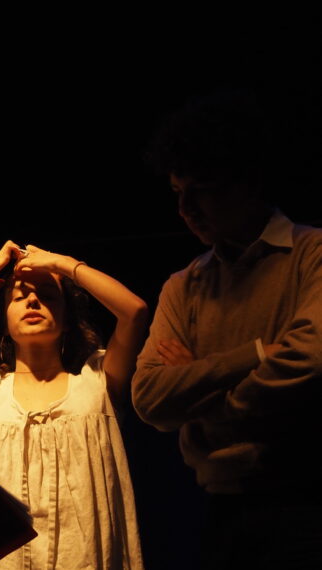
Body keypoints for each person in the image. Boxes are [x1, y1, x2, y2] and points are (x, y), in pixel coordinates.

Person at [132, 91, 322, 569]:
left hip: (306, 501)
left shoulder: (312, 255)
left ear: (249, 182)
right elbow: (149, 397)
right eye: (177, 192)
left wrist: (202, 391)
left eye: (203, 189)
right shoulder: (185, 284)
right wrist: (255, 354)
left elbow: (310, 361)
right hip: (217, 509)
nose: (186, 208)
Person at [0, 241, 147, 569]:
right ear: (4, 321)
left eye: (47, 295)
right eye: (18, 297)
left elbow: (134, 311)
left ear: (68, 318)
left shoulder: (98, 380)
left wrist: (64, 264)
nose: (32, 300)